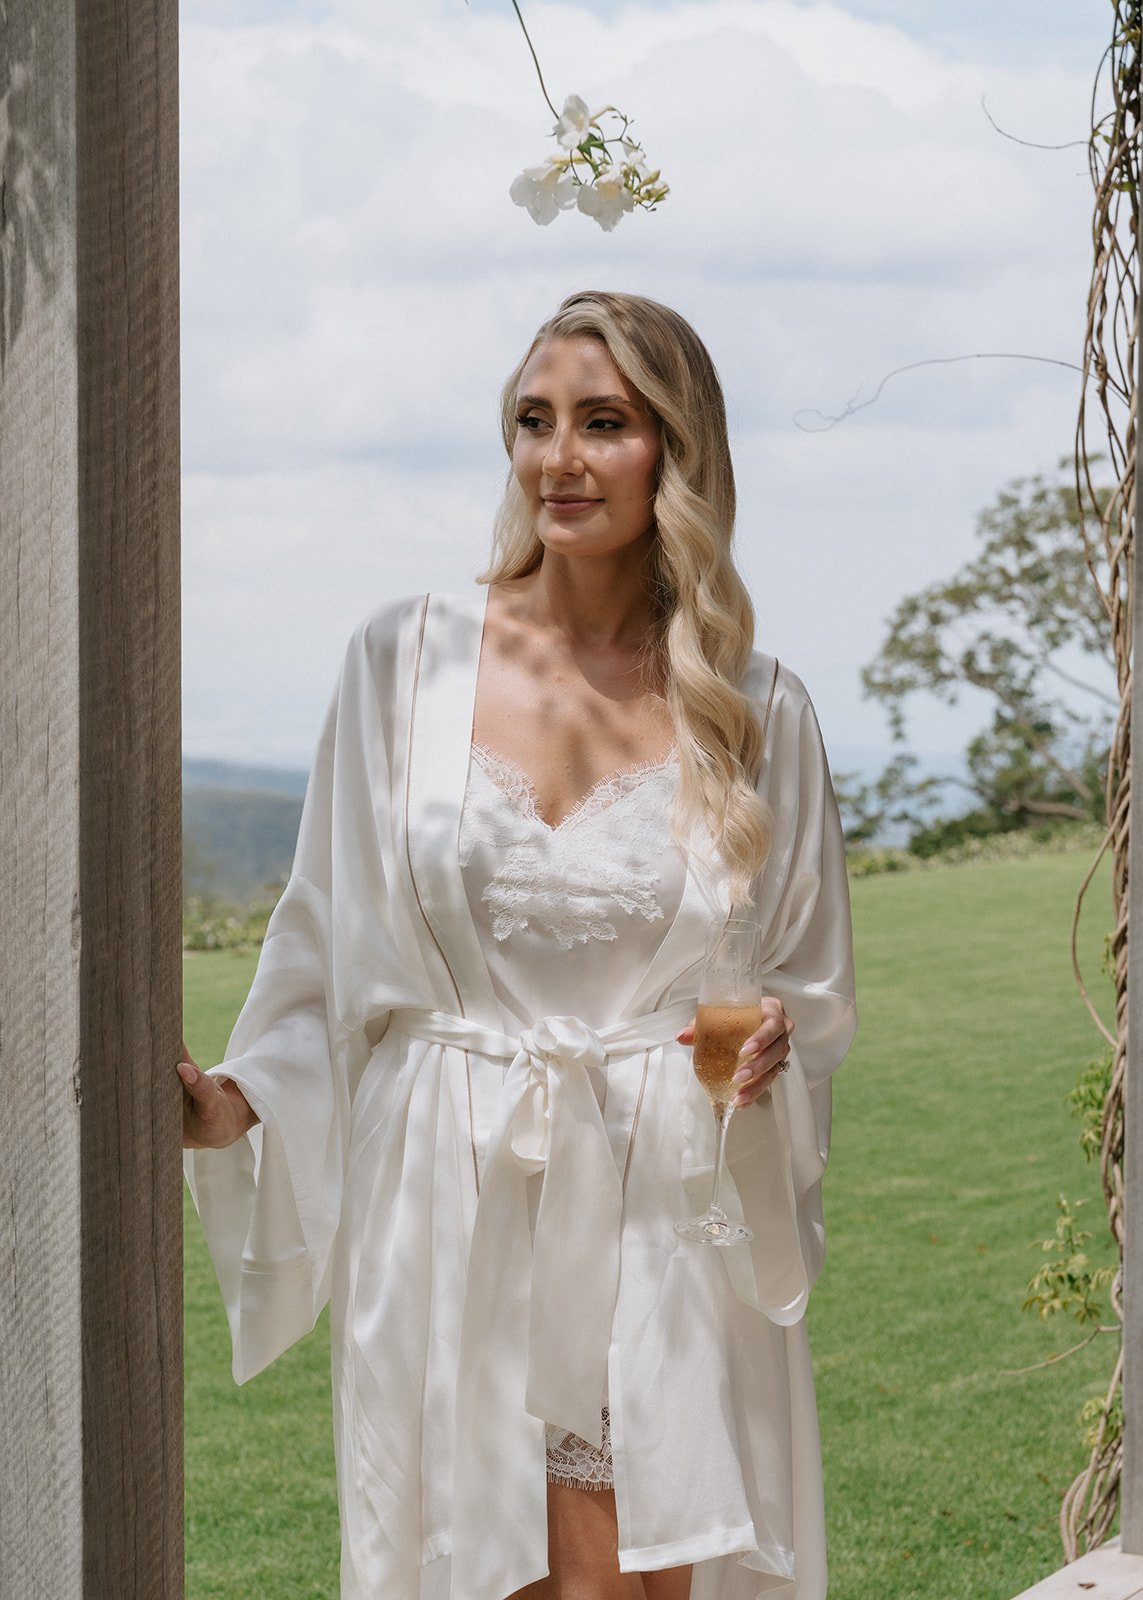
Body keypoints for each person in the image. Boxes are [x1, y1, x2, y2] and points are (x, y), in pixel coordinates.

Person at [179, 290, 856, 1600]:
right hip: (450, 1188)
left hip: (665, 1189)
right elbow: (325, 936)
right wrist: (241, 1099)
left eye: (604, 423)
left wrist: (766, 1049)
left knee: (655, 1572)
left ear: (676, 450)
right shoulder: (404, 661)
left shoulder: (760, 709)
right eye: (534, 420)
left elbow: (804, 997)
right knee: (491, 1563)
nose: (559, 457)